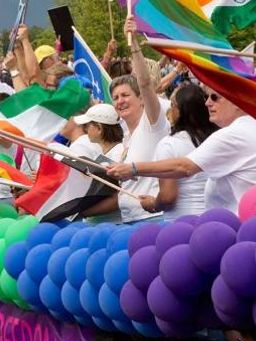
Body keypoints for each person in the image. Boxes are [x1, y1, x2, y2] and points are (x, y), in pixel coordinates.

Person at [108, 86, 256, 212]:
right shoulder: (244, 128)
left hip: (207, 226)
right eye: (206, 97)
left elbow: (184, 168)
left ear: (237, 101)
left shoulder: (232, 134)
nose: (208, 103)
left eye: (215, 97)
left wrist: (132, 169)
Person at [86, 16, 169, 223]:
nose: (119, 101)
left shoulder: (152, 124)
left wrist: (132, 44)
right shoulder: (126, 134)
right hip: (129, 221)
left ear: (141, 98)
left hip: (152, 220)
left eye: (125, 95)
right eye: (115, 98)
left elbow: (145, 83)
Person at [134, 84, 217, 218]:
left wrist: (153, 203)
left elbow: (168, 197)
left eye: (172, 105)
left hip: (181, 222)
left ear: (180, 110)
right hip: (216, 218)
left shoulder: (169, 144)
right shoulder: (217, 139)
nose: (170, 109)